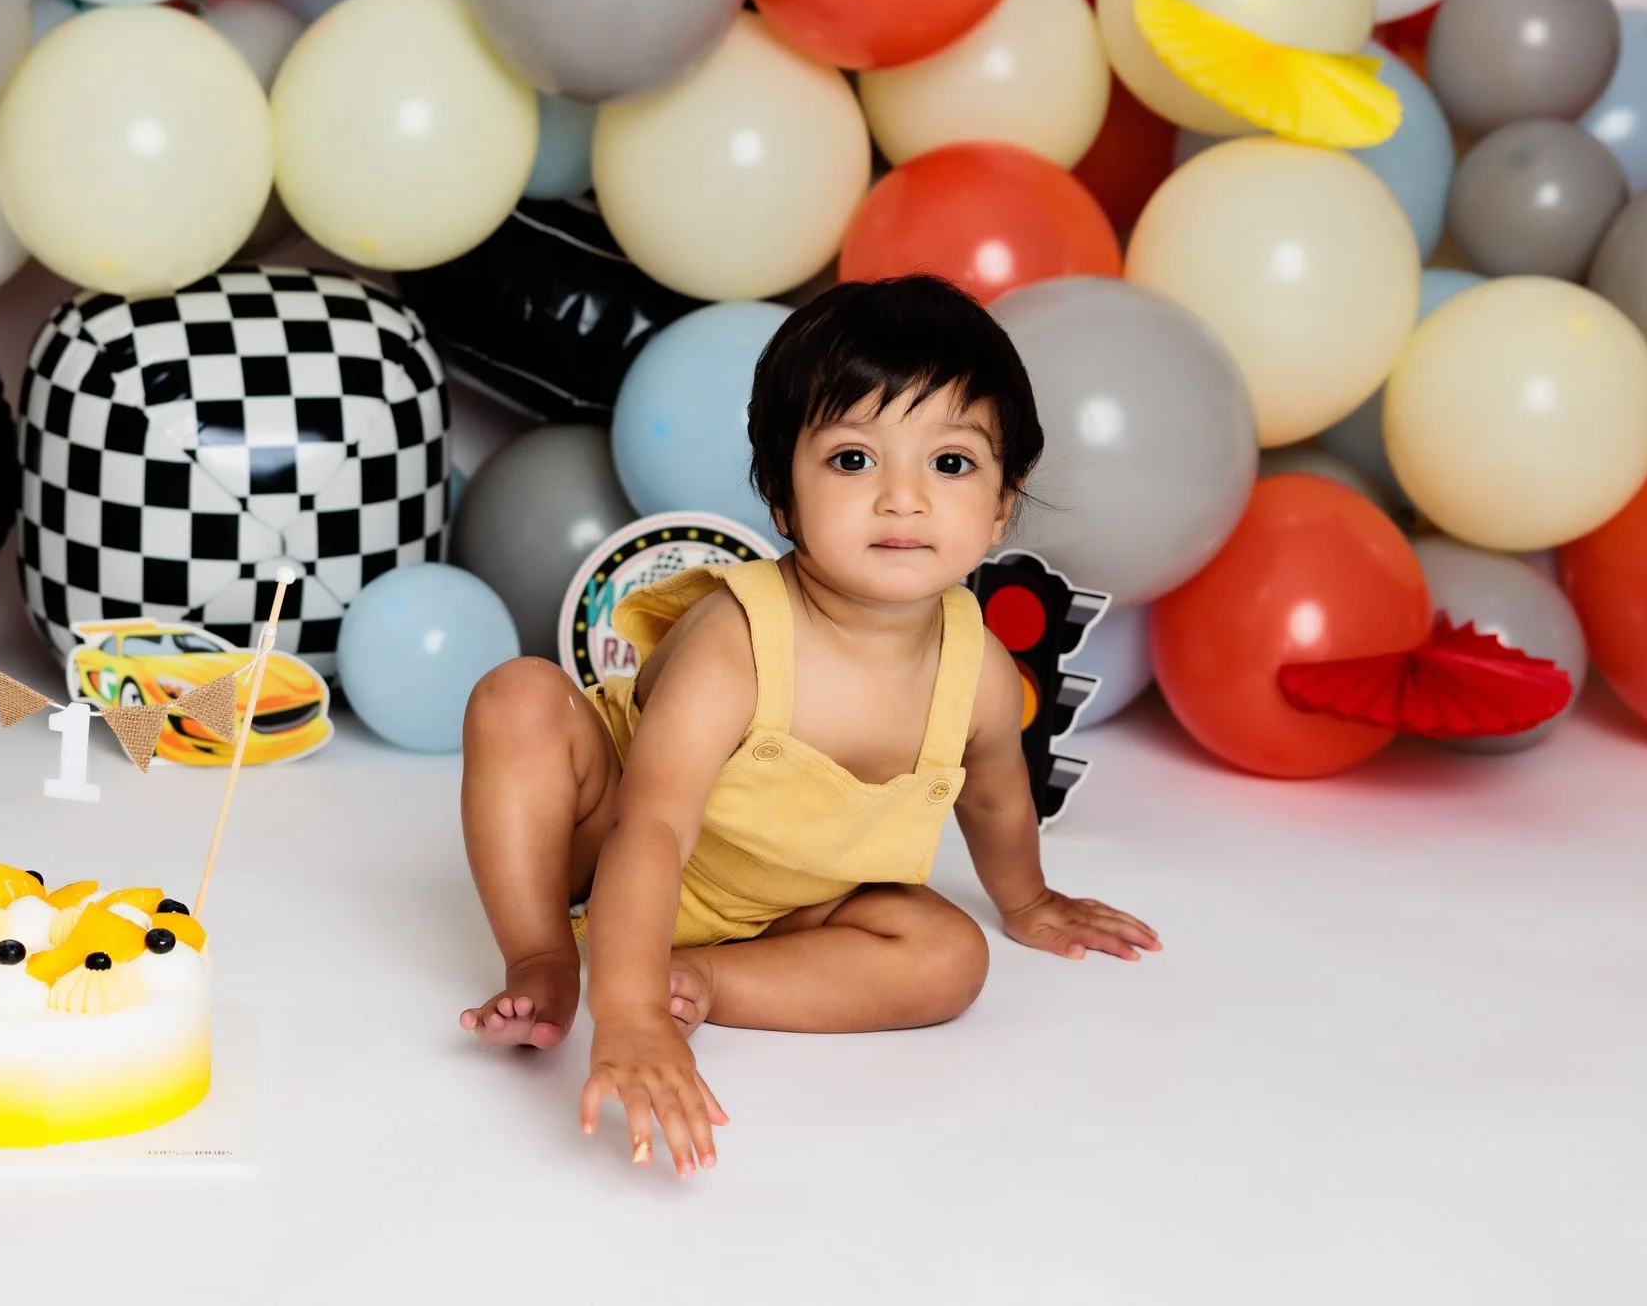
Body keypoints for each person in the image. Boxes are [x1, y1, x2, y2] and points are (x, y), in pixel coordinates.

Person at [456, 275, 1160, 1175]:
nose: (902, 499)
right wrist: (625, 1015)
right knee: (517, 696)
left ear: (1001, 506)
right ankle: (543, 959)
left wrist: (1026, 900)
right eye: (854, 460)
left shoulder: (976, 667)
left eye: (949, 463)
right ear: (783, 501)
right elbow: (654, 825)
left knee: (949, 960)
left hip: (793, 902)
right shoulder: (739, 641)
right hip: (612, 850)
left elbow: (994, 798)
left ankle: (706, 980)